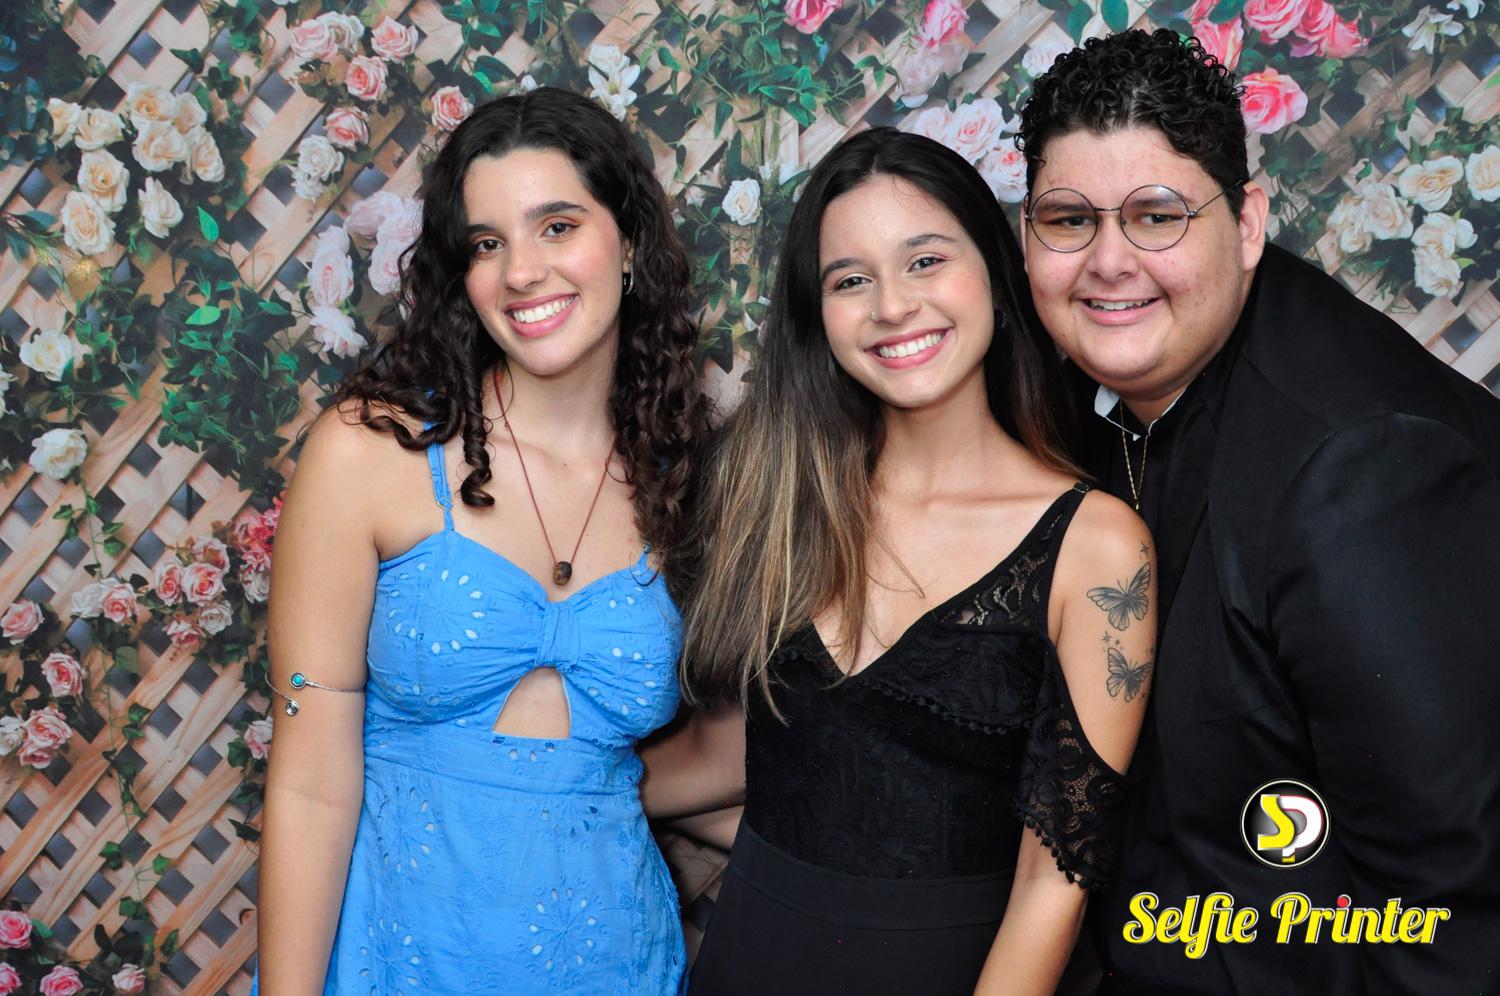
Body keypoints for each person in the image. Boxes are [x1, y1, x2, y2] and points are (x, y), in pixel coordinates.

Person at [1017, 29, 1500, 994]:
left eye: (1156, 216)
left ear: (1245, 223)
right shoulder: (1084, 393)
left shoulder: (1363, 477)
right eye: (1068, 220)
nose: (1108, 262)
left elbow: (1453, 925)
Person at [646, 127, 1156, 995]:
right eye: (851, 280)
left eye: (925, 261)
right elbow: (750, 753)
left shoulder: (1098, 549)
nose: (891, 305)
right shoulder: (778, 496)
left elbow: (1053, 886)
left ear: (994, 272)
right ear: (818, 316)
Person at [255, 87, 709, 994]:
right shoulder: (368, 452)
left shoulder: (690, 479)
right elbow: (309, 786)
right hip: (398, 962)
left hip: (618, 963)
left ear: (629, 243)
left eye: (557, 227)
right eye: (486, 244)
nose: (521, 272)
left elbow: (750, 742)